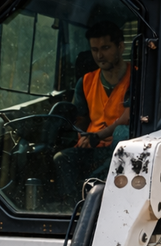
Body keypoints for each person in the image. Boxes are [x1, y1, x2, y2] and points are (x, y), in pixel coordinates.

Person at [54, 21, 132, 198]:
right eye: (95, 50)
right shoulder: (86, 81)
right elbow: (80, 117)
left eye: (105, 48)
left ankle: (91, 192)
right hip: (93, 147)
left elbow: (127, 118)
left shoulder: (136, 76)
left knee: (122, 133)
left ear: (120, 47)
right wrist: (81, 134)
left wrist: (97, 136)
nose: (99, 55)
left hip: (120, 147)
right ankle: (75, 207)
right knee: (62, 158)